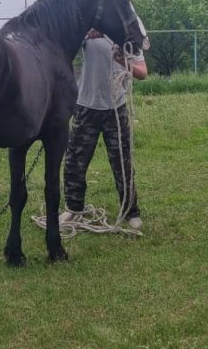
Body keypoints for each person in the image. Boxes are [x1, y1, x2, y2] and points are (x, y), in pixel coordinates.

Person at [60, 29, 148, 230]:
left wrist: (122, 60)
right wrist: (86, 31)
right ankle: (73, 209)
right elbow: (67, 43)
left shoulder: (128, 36)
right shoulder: (90, 29)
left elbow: (143, 72)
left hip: (116, 109)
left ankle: (130, 211)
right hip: (85, 106)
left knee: (122, 162)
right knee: (75, 161)